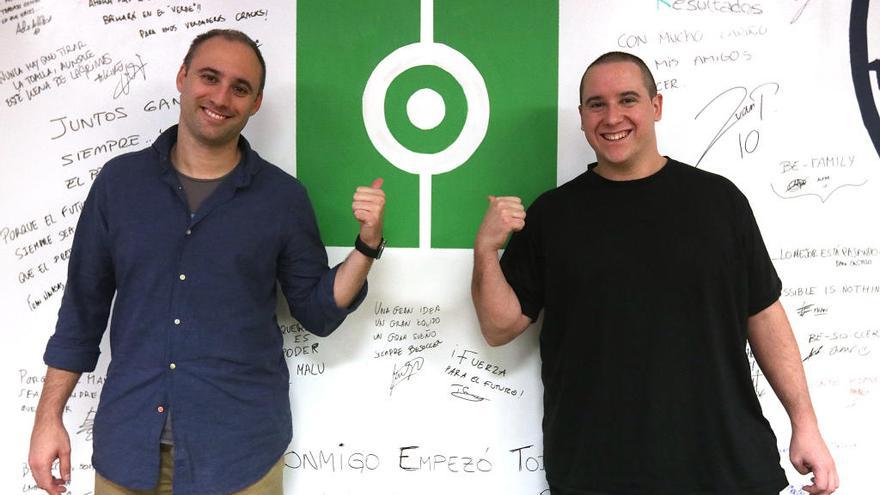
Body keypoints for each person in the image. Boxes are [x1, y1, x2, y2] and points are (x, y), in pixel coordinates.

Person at [28, 29, 387, 495]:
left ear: (255, 103)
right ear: (182, 77)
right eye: (209, 77)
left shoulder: (282, 199)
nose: (221, 97)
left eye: (240, 88)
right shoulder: (120, 184)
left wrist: (367, 245)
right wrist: (47, 420)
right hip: (128, 450)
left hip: (241, 457)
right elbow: (81, 311)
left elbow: (318, 312)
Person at [472, 51, 838, 495]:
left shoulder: (720, 202)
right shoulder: (553, 215)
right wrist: (487, 250)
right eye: (596, 104)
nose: (612, 117)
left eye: (628, 99)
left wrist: (806, 424)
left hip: (726, 466)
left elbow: (763, 314)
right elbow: (498, 326)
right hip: (598, 471)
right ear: (583, 118)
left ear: (656, 106)